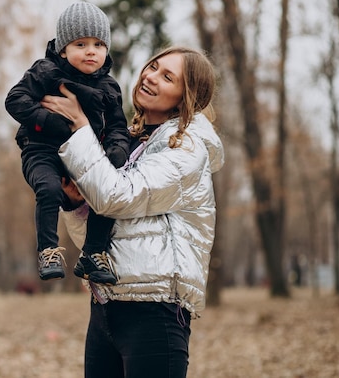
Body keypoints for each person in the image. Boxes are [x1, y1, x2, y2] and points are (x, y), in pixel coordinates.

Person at [41, 46, 224, 377]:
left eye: (168, 77)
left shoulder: (186, 147)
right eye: (153, 67)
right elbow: (94, 237)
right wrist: (76, 202)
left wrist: (80, 127)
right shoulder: (132, 144)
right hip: (106, 309)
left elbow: (115, 197)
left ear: (187, 97)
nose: (151, 76)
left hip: (155, 314)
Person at [5, 2, 129, 282]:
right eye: (80, 44)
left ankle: (94, 254)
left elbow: (118, 125)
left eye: (98, 44)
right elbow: (15, 100)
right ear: (63, 49)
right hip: (42, 150)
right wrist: (49, 121)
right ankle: (48, 250)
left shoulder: (109, 88)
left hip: (83, 156)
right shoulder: (46, 72)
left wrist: (118, 148)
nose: (90, 51)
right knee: (48, 189)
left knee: (106, 190)